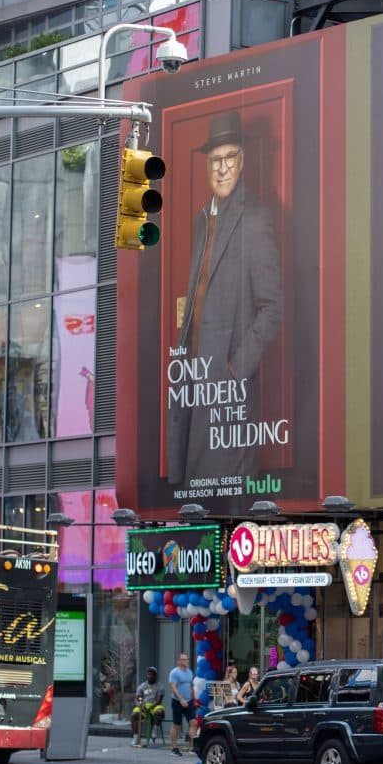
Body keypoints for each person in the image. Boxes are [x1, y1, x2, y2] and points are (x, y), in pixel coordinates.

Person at [166, 110, 285, 486]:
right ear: (206, 164)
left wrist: (236, 369)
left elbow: (272, 306)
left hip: (227, 387)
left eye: (229, 159)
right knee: (189, 490)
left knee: (223, 495)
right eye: (215, 160)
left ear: (242, 161)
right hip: (193, 379)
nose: (221, 169)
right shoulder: (204, 219)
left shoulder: (256, 218)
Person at [167, 653, 196, 756]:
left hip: (189, 701)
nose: (186, 661)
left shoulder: (190, 672)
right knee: (177, 725)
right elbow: (173, 687)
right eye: (184, 660)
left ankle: (192, 747)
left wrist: (193, 698)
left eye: (187, 659)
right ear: (179, 661)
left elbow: (191, 686)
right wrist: (181, 700)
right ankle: (174, 748)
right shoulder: (174, 672)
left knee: (193, 723)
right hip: (177, 701)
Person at [130, 666, 165, 747]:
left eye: (152, 674)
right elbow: (138, 698)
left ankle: (155, 729)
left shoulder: (160, 686)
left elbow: (159, 700)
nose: (150, 676)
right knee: (134, 715)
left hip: (155, 706)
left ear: (155, 675)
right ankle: (136, 737)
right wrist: (139, 704)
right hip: (143, 706)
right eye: (149, 674)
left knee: (160, 712)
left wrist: (151, 706)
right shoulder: (142, 686)